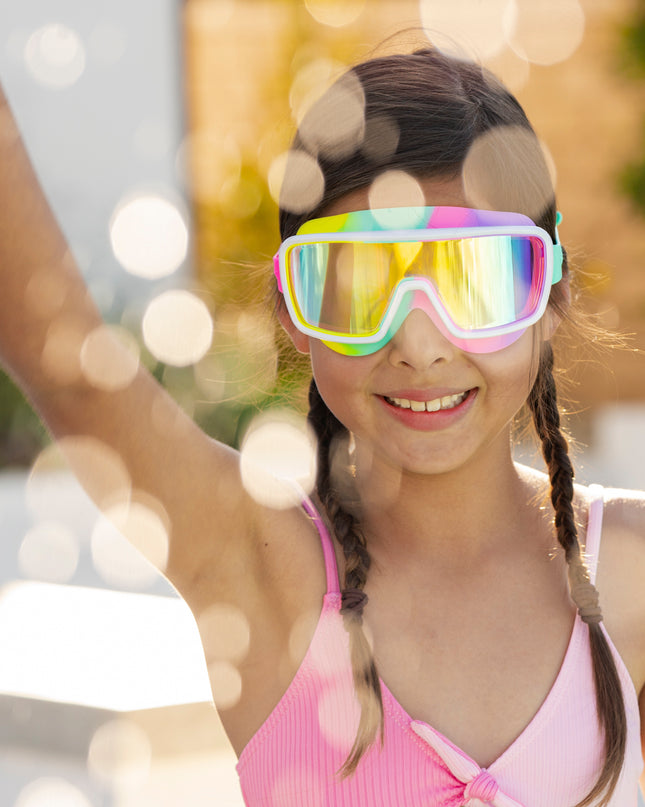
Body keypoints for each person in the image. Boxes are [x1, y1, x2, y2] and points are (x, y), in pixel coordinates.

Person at [0, 44, 643, 807]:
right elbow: (67, 365)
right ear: (291, 309)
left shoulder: (631, 571)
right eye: (360, 284)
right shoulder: (262, 571)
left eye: (475, 280)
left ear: (551, 293)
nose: (419, 342)